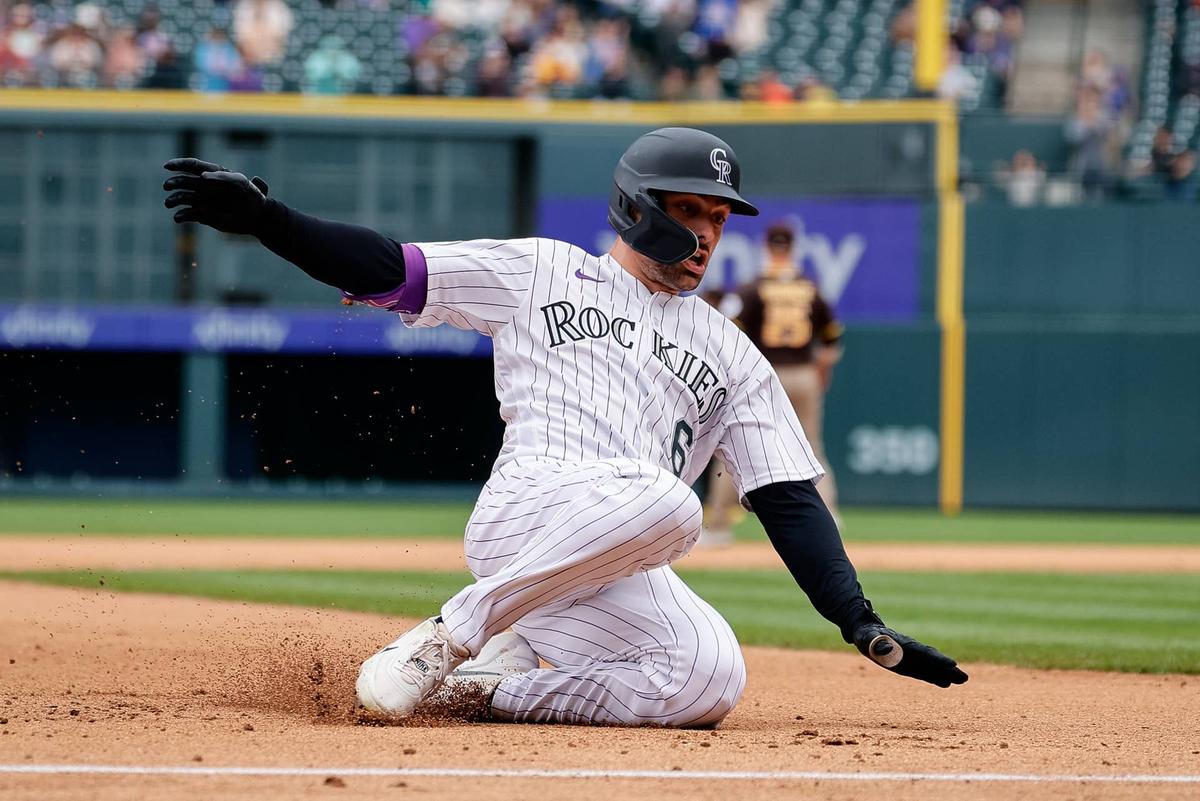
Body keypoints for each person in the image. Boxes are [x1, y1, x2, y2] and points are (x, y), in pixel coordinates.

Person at [161, 128, 967, 727]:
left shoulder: (731, 349)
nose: (708, 235)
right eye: (690, 211)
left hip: (611, 552)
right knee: (677, 505)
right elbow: (391, 268)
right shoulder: (544, 270)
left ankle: (479, 686)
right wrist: (272, 221)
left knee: (708, 677)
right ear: (635, 208)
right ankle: (450, 635)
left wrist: (858, 620)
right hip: (529, 511)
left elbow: (788, 495)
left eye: (719, 216)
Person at [703, 223, 843, 546]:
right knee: (811, 447)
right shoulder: (811, 288)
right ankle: (830, 518)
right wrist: (822, 367)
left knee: (734, 447)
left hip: (766, 375)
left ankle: (719, 526)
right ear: (794, 248)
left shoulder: (752, 288)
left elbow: (728, 331)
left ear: (767, 247)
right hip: (805, 373)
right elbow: (832, 338)